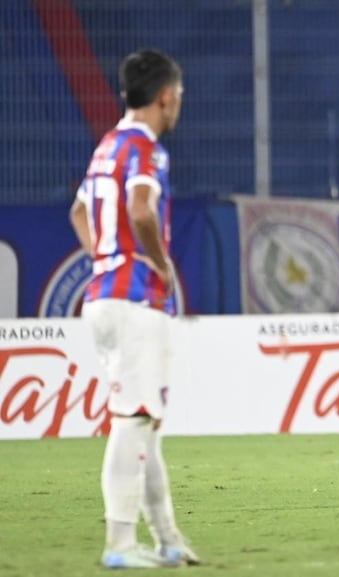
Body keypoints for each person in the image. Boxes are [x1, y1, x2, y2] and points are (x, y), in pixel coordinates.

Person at [69, 49, 200, 568]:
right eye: (180, 95)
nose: (179, 104)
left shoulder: (108, 146)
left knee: (143, 421)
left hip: (105, 295)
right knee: (132, 420)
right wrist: (159, 263)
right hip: (133, 298)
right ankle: (120, 545)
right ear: (166, 96)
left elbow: (80, 211)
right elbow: (142, 210)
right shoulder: (145, 148)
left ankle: (166, 538)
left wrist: (104, 257)